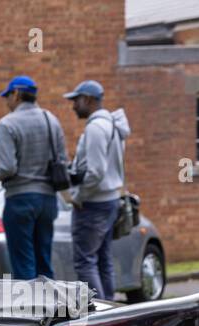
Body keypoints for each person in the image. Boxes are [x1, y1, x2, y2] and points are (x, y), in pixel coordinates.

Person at [0, 75, 66, 280]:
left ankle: (29, 310)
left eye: (7, 96)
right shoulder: (51, 120)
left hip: (20, 199)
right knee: (44, 259)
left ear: (16, 94)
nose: (6, 101)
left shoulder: (7, 124)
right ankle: (49, 309)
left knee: (23, 261)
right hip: (48, 200)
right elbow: (62, 159)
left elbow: (7, 168)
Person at [65, 80, 130, 300]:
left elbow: (95, 172)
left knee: (85, 262)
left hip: (92, 203)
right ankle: (109, 308)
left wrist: (78, 196)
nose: (73, 106)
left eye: (76, 100)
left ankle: (98, 316)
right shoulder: (112, 124)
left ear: (89, 100)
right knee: (103, 260)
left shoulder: (95, 128)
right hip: (110, 200)